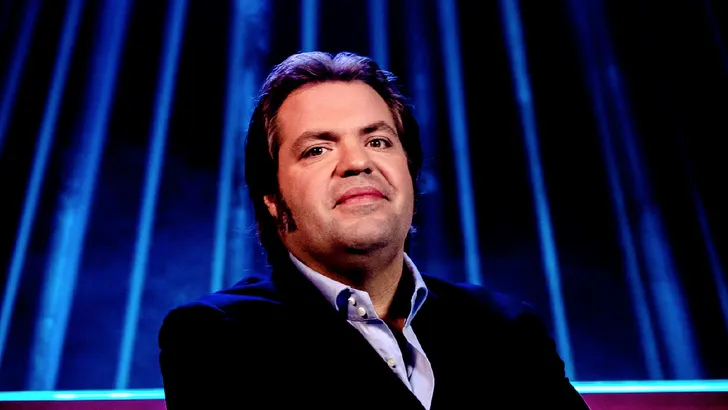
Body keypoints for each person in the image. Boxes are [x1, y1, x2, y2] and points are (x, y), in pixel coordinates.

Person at [158, 51, 590, 410]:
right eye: (317, 149)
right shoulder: (215, 337)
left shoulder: (507, 329)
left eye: (378, 141)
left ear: (410, 173)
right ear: (271, 197)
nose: (357, 162)